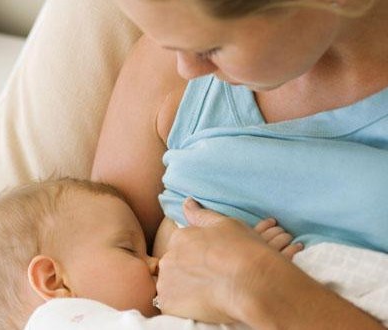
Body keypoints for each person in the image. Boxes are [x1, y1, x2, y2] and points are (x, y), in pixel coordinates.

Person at [91, 0, 388, 328]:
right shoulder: (166, 75)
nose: (186, 70)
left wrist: (253, 285)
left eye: (211, 48)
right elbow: (79, 284)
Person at [0, 178, 301, 330]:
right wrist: (240, 272)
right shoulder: (61, 322)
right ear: (54, 281)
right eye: (128, 249)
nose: (155, 262)